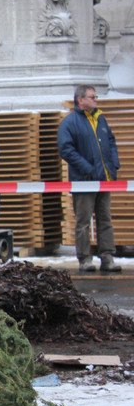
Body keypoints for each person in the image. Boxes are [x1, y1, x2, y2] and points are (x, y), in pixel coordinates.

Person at [58, 85, 121, 273]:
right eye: (92, 97)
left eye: (95, 97)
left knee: (105, 220)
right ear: (80, 100)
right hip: (83, 181)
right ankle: (85, 259)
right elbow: (65, 149)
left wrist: (114, 164)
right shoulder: (70, 122)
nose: (96, 100)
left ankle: (107, 258)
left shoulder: (100, 119)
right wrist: (87, 168)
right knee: (83, 222)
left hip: (104, 179)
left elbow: (111, 141)